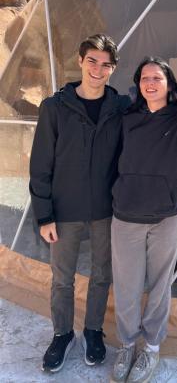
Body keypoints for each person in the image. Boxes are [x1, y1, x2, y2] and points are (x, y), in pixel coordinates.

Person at [29, 34, 130, 373]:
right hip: (65, 211)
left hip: (105, 211)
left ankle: (93, 331)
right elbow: (41, 165)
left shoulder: (121, 109)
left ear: (112, 69)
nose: (98, 70)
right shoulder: (55, 108)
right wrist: (44, 215)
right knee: (62, 278)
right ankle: (62, 334)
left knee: (102, 275)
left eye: (105, 65)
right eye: (92, 61)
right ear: (80, 60)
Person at [110, 56, 177, 383]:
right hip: (127, 215)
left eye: (157, 78)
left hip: (167, 216)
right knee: (126, 285)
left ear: (170, 85)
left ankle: (151, 348)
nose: (150, 83)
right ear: (138, 85)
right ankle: (126, 344)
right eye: (144, 78)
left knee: (159, 286)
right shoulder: (127, 117)